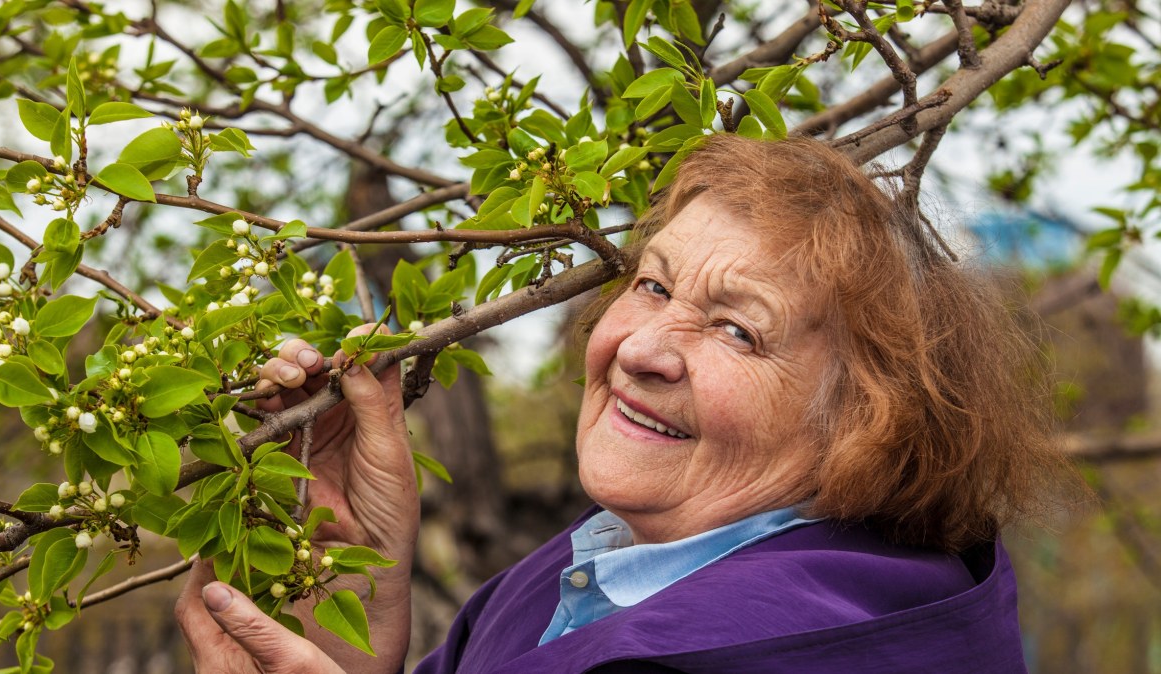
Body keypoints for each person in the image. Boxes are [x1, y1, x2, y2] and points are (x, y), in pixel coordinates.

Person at [175, 135, 1072, 673]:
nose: (639, 349)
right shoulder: (587, 570)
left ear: (866, 420)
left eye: (736, 332)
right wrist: (359, 625)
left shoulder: (770, 645)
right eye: (651, 286)